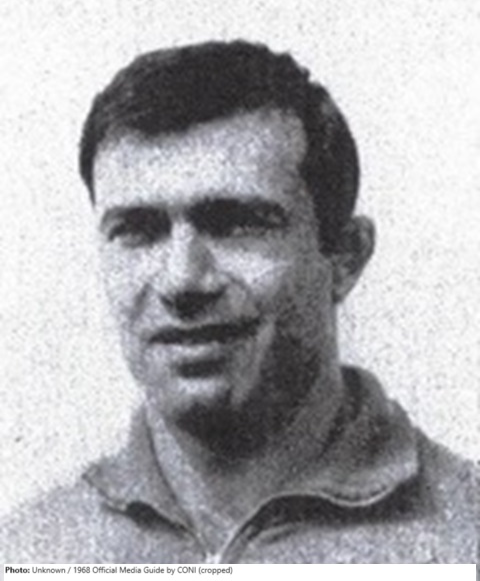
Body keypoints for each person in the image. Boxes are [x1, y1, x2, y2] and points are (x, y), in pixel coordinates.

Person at [0, 40, 476, 564]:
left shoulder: (465, 535)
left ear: (345, 256)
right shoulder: (29, 550)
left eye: (234, 224)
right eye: (138, 230)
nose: (182, 281)